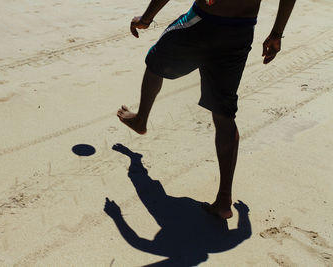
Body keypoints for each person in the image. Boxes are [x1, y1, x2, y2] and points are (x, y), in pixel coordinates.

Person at [117, 0, 296, 219]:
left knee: (156, 59)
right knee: (224, 113)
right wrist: (277, 33)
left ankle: (141, 120)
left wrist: (146, 19)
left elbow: (141, 242)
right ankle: (223, 200)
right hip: (240, 32)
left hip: (202, 23)